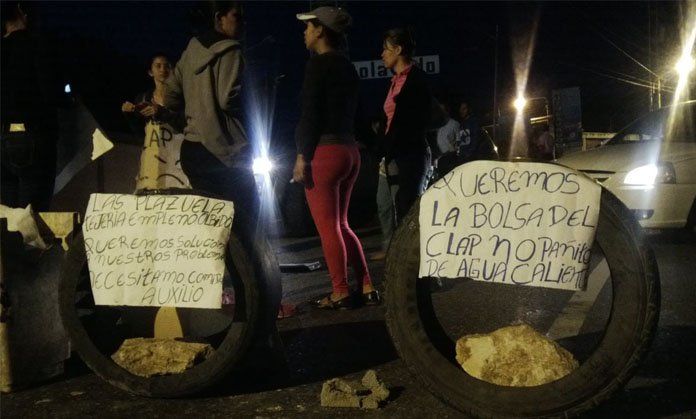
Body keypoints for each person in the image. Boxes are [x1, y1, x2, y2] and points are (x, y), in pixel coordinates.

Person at [164, 1, 283, 362]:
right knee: (248, 236)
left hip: (195, 151)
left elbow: (168, 95)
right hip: (226, 151)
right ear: (220, 19)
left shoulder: (189, 49)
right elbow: (227, 96)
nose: (242, 22)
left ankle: (212, 319)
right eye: (237, 16)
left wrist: (190, 113)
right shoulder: (231, 51)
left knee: (213, 236)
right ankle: (255, 328)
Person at [294, 6, 377, 309]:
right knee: (342, 224)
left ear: (320, 31)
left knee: (329, 227)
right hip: (349, 152)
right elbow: (359, 115)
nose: (305, 32)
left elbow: (310, 114)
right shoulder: (347, 67)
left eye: (308, 27)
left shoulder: (317, 66)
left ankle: (340, 291)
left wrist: (302, 154)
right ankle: (366, 285)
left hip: (325, 154)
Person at [1, 2, 59, 211]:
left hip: (2, 134)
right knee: (32, 213)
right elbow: (51, 92)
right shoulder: (36, 45)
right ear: (22, 13)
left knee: (4, 214)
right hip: (32, 136)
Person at [380, 27, 433, 223]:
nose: (382, 54)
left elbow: (413, 121)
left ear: (398, 50)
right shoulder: (395, 81)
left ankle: (411, 252)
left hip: (411, 154)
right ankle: (392, 250)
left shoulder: (416, 79)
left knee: (408, 208)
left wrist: (393, 144)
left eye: (386, 49)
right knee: (386, 205)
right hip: (394, 153)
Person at [121, 54, 189, 191]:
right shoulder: (143, 98)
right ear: (150, 72)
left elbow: (186, 124)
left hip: (176, 153)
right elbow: (140, 133)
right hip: (153, 156)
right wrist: (129, 114)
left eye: (167, 66)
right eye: (158, 66)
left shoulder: (181, 97)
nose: (163, 69)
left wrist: (161, 112)